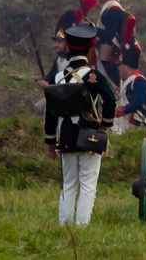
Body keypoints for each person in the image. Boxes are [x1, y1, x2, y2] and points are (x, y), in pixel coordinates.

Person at [45, 21, 115, 226]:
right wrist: (104, 125)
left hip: (64, 136)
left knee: (69, 185)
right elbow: (110, 100)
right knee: (88, 185)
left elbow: (50, 112)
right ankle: (82, 227)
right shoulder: (94, 76)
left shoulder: (58, 77)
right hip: (89, 135)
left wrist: (50, 140)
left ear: (69, 45)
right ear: (90, 46)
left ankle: (64, 226)